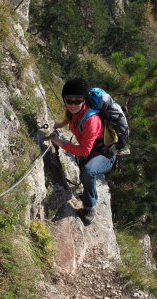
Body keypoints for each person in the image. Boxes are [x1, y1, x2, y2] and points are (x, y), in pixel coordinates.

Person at [50, 78, 117, 225]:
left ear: (84, 100)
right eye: (69, 100)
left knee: (88, 171)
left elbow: (84, 151)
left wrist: (60, 143)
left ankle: (90, 207)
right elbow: (70, 116)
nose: (72, 104)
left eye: (77, 101)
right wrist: (60, 124)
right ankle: (88, 192)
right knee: (84, 169)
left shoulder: (91, 120)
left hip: (106, 155)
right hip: (93, 150)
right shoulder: (73, 110)